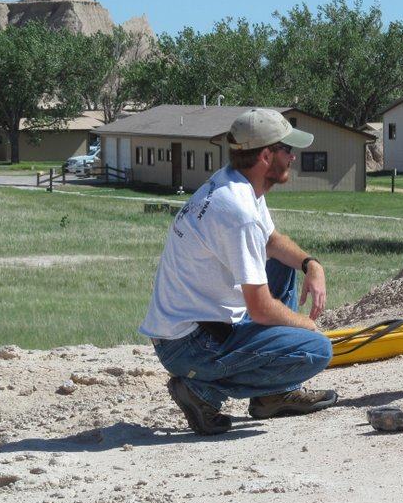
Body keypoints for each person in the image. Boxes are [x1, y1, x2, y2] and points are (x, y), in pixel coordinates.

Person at [141, 108, 337, 434]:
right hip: (189, 346)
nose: (293, 156)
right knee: (315, 350)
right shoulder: (237, 210)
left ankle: (274, 395)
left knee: (282, 265)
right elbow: (259, 308)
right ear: (265, 156)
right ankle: (203, 391)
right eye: (287, 149)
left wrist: (311, 264)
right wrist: (306, 326)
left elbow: (271, 242)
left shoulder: (238, 184)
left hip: (193, 329)